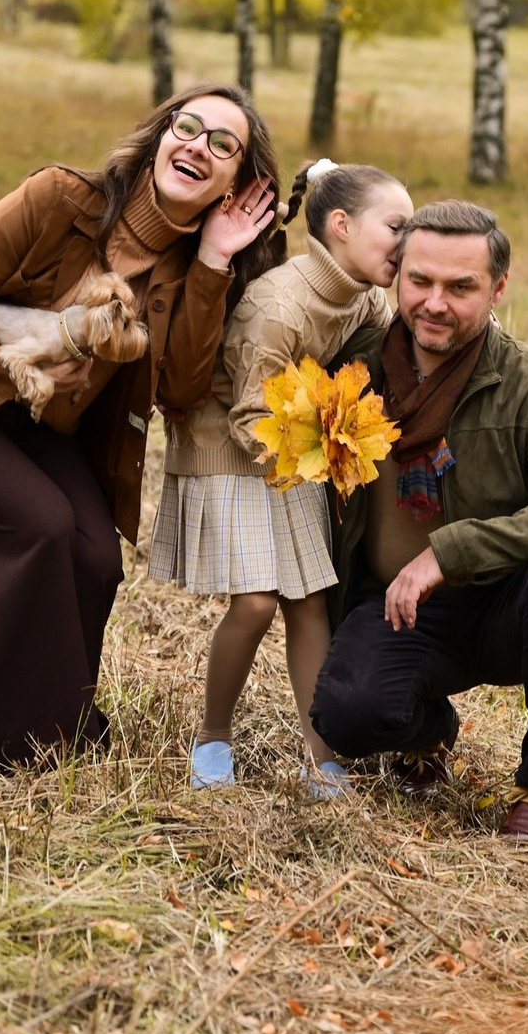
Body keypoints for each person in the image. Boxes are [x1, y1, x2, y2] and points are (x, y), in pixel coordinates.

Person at [0, 82, 284, 770]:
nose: (197, 145)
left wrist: (215, 262)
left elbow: (186, 393)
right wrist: (18, 385)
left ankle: (54, 721)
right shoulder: (61, 200)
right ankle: (15, 747)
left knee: (95, 556)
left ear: (236, 185)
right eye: (186, 127)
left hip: (29, 415)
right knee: (38, 525)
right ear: (160, 137)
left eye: (223, 145)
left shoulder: (188, 267)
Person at [309, 200, 528, 843]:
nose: (435, 303)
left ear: (499, 287)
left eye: (461, 287)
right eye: (420, 281)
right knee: (346, 716)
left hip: (506, 604)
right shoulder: (353, 367)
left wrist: (449, 554)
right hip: (398, 608)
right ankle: (428, 730)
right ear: (398, 273)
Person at [148, 159, 413, 795]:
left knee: (307, 601)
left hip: (297, 442)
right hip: (232, 444)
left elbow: (382, 352)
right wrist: (325, 455)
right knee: (258, 601)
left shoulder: (365, 295)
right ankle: (213, 734)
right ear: (343, 226)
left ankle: (321, 757)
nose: (410, 241)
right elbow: (247, 413)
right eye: (398, 226)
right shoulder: (278, 305)